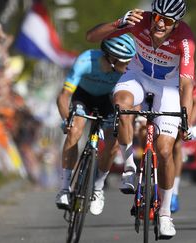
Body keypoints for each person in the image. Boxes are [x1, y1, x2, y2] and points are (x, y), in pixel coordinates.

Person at [85, 0, 195, 238]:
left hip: (168, 87)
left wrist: (185, 118)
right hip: (137, 76)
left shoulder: (185, 40)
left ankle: (165, 214)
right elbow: (91, 37)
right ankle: (129, 168)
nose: (160, 24)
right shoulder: (139, 22)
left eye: (167, 21)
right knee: (122, 106)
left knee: (165, 150)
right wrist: (118, 23)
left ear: (176, 25)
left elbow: (186, 84)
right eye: (157, 18)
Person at [55, 34, 136, 216]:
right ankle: (65, 188)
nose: (129, 65)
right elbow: (63, 95)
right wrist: (66, 119)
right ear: (113, 59)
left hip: (106, 100)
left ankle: (98, 188)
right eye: (126, 61)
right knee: (75, 131)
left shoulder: (124, 72)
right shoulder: (85, 61)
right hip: (83, 97)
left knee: (113, 141)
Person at [170, 84, 196, 213]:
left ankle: (174, 192)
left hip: (178, 110)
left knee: (176, 144)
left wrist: (188, 124)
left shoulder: (186, 72)